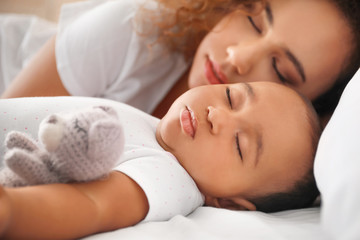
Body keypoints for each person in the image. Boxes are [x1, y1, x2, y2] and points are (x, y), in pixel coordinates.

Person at [0, 81, 321, 239]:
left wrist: (11, 210)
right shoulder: (159, 131)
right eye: (231, 97)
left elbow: (91, 206)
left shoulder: (168, 178)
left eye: (240, 144)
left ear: (231, 205)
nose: (217, 115)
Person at [0, 0, 359, 119]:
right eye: (252, 20)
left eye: (281, 71)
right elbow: (8, 124)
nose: (238, 57)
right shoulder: (137, 25)